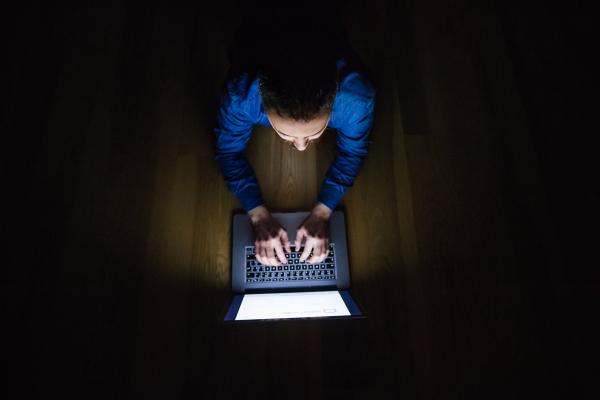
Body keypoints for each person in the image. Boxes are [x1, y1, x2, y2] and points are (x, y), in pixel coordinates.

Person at [214, 1, 377, 268]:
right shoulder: (241, 95)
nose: (301, 148)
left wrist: (324, 211)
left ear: (335, 98)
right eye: (286, 135)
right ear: (261, 100)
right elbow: (227, 150)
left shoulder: (357, 99)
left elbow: (354, 150)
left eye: (315, 133)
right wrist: (257, 215)